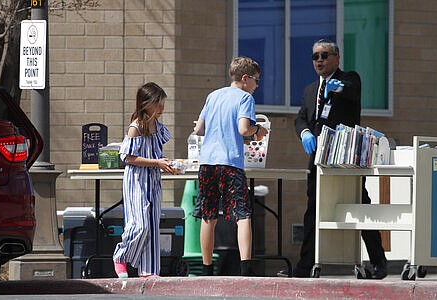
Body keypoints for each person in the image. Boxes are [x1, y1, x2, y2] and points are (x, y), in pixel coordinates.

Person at [288, 39, 388, 279]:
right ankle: (304, 266)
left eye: (324, 55)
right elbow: (301, 118)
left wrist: (338, 88)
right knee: (313, 209)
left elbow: (351, 91)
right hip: (319, 158)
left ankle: (378, 262)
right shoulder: (310, 90)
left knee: (360, 204)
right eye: (315, 57)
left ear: (336, 58)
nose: (319, 60)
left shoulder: (349, 78)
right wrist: (304, 133)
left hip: (346, 156)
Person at [192, 56, 269, 276]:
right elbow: (244, 129)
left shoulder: (213, 96)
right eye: (255, 80)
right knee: (242, 215)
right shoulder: (245, 98)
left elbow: (198, 129)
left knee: (208, 215)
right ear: (245, 78)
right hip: (230, 163)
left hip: (207, 162)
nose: (257, 85)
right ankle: (246, 269)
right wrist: (259, 130)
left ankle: (207, 269)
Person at [113, 82, 176, 278]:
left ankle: (149, 270)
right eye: (158, 103)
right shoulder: (136, 128)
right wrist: (156, 163)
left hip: (153, 180)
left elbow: (158, 155)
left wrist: (166, 165)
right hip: (137, 181)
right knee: (140, 224)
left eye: (162, 103)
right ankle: (121, 256)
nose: (161, 108)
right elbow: (127, 157)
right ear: (146, 103)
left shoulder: (157, 126)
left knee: (152, 226)